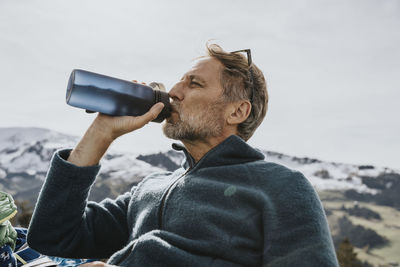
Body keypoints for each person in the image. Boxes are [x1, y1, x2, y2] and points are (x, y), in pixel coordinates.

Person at [27, 44, 339, 266]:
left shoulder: (281, 187)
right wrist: (101, 132)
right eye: (179, 80)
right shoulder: (150, 188)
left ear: (237, 111)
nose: (174, 91)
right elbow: (52, 236)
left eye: (194, 84)